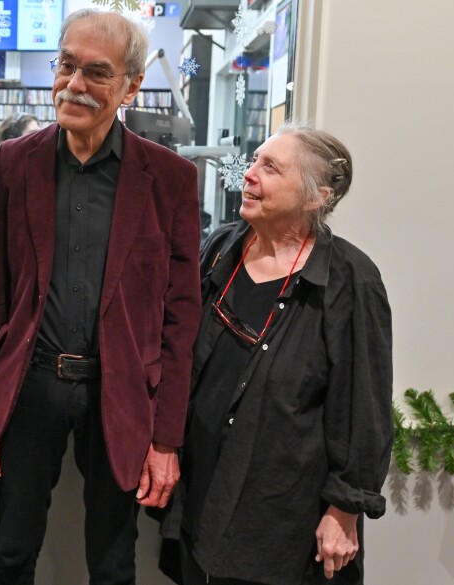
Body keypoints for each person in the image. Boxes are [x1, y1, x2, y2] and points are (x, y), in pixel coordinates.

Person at [0, 8, 201, 584]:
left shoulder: (169, 178)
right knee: (10, 551)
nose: (73, 85)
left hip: (120, 391)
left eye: (95, 72)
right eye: (66, 66)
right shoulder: (17, 161)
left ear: (131, 85)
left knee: (113, 560)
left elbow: (180, 319)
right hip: (30, 388)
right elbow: (0, 294)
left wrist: (166, 438)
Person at [168, 124, 392, 585]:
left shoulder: (351, 280)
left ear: (315, 198)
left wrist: (345, 508)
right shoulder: (220, 250)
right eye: (254, 162)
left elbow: (364, 406)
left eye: (270, 167)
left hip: (283, 519)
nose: (249, 175)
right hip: (203, 494)